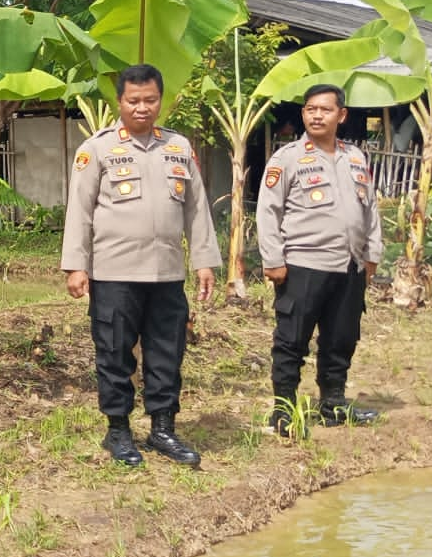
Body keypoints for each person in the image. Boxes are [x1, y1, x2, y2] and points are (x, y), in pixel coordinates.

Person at [61, 63, 221, 468]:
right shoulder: (96, 150)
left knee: (167, 352)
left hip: (166, 273)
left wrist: (204, 260)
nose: (142, 108)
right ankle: (118, 432)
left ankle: (163, 429)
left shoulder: (178, 148)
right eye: (134, 101)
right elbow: (78, 212)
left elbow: (197, 209)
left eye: (150, 100)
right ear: (120, 102)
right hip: (114, 273)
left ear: (160, 100)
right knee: (114, 353)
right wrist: (76, 266)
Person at [257, 84, 383, 435]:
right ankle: (283, 411)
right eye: (310, 109)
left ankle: (333, 404)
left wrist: (372, 253)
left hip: (349, 266)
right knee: (291, 340)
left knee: (341, 338)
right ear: (303, 114)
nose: (316, 115)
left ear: (341, 116)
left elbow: (369, 209)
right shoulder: (288, 159)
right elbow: (268, 211)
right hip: (303, 265)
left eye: (325, 110)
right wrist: (273, 258)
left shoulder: (356, 157)